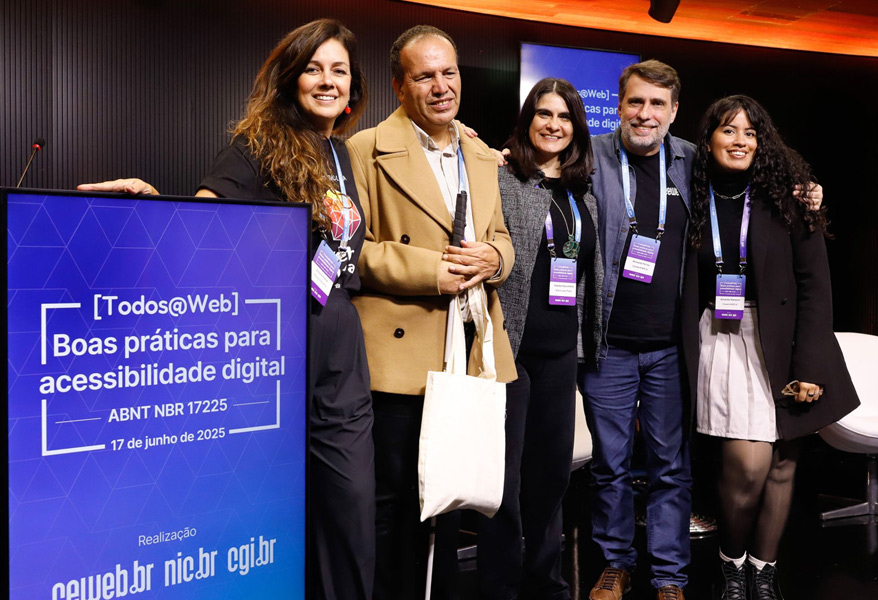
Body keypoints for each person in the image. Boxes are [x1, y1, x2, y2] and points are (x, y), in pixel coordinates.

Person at [78, 19, 376, 600]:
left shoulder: (341, 153)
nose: (327, 80)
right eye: (313, 68)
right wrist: (149, 204)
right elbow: (203, 224)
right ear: (291, 78)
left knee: (351, 518)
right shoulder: (257, 142)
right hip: (272, 355)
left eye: (338, 70)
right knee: (263, 522)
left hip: (341, 356)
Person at [345, 24, 516, 600]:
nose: (441, 87)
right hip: (400, 357)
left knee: (452, 502)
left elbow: (502, 237)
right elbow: (350, 251)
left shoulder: (481, 152)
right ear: (399, 85)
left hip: (471, 352)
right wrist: (428, 271)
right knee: (395, 503)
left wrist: (494, 258)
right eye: (425, 76)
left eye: (450, 72)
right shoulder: (365, 149)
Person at [681, 95, 859, 600]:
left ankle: (762, 572)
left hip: (782, 340)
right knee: (749, 466)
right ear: (709, 138)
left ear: (763, 143)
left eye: (750, 133)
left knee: (782, 464)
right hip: (721, 337)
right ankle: (731, 563)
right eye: (728, 131)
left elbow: (815, 287)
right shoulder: (690, 195)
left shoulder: (790, 197)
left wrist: (810, 366)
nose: (740, 141)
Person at [478, 77, 603, 600]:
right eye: (544, 114)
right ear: (529, 120)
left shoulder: (584, 196)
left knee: (551, 478)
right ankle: (501, 587)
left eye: (565, 117)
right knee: (505, 484)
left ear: (576, 127)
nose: (554, 125)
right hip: (512, 351)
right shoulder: (503, 178)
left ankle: (546, 583)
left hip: (561, 356)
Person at [578, 59, 694, 600]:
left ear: (673, 111)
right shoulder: (591, 153)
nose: (645, 114)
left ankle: (670, 575)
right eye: (635, 102)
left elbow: (755, 176)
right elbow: (529, 159)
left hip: (671, 348)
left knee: (671, 466)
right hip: (609, 347)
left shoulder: (692, 160)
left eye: (657, 104)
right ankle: (616, 564)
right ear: (620, 104)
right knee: (611, 466)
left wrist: (806, 189)